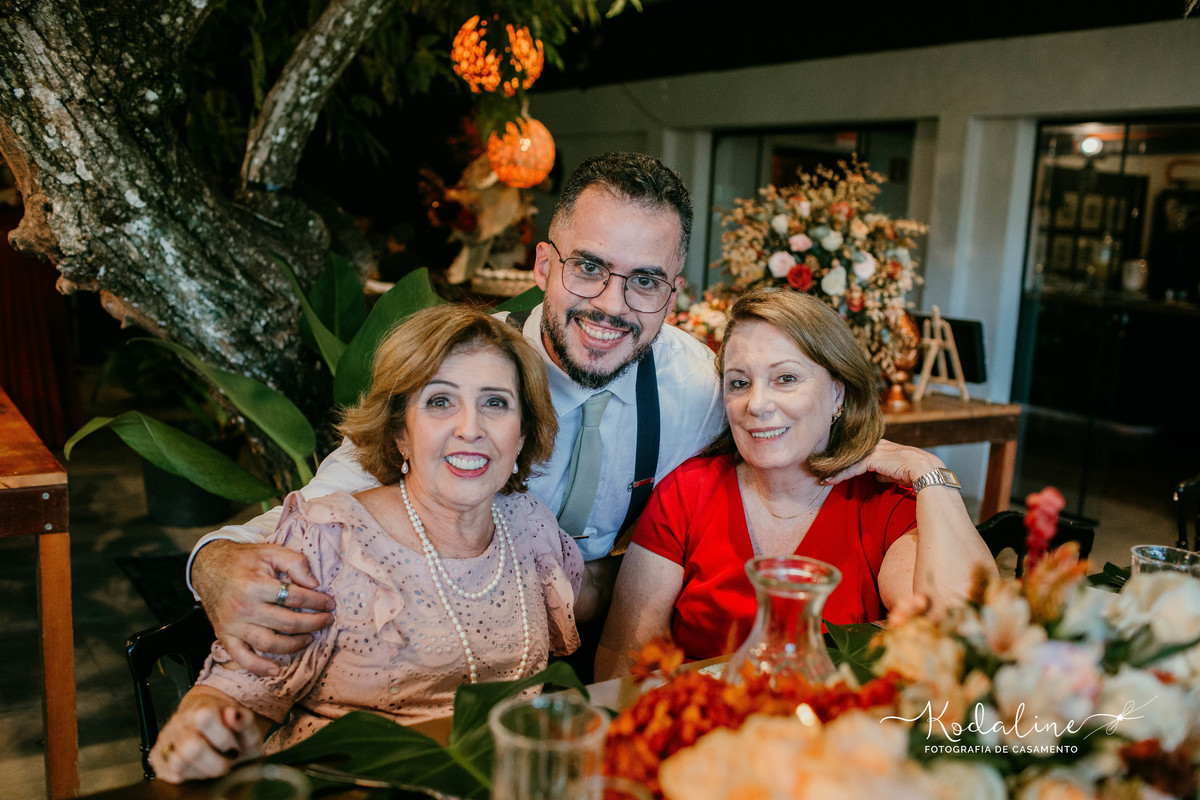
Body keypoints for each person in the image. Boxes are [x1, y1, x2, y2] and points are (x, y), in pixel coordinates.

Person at [186, 152, 725, 677]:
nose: (611, 304)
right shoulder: (458, 364)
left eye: (645, 281)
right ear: (542, 265)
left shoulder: (699, 390)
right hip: (447, 654)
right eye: (588, 267)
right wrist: (215, 562)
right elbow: (331, 502)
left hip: (604, 648)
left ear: (673, 294)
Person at [149, 305, 585, 782]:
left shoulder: (530, 527)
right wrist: (202, 726)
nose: (471, 428)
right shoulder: (331, 541)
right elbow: (238, 692)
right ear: (401, 432)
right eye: (440, 401)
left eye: (496, 403)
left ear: (521, 433)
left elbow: (584, 599)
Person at [595, 288, 998, 679]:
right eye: (739, 383)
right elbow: (626, 664)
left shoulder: (883, 501)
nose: (757, 404)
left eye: (785, 378)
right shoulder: (688, 491)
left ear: (838, 392)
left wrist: (928, 471)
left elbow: (962, 637)